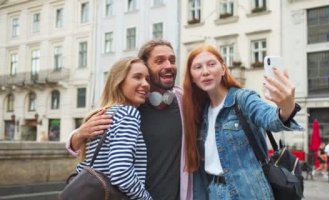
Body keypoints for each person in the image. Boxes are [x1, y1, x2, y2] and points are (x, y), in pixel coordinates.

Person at [65, 40, 192, 200]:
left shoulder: (183, 101)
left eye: (172, 60)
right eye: (159, 61)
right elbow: (119, 171)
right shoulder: (128, 111)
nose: (168, 65)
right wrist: (78, 135)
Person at [182, 44, 303, 199]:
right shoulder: (200, 112)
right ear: (192, 77)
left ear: (223, 69)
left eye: (211, 64)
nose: (205, 71)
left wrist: (286, 107)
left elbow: (270, 118)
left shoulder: (243, 99)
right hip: (214, 192)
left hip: (249, 192)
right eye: (198, 67)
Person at [76, 57, 152, 199]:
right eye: (137, 77)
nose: (146, 84)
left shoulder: (100, 114)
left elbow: (84, 167)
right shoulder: (128, 113)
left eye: (147, 79)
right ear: (119, 82)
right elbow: (121, 172)